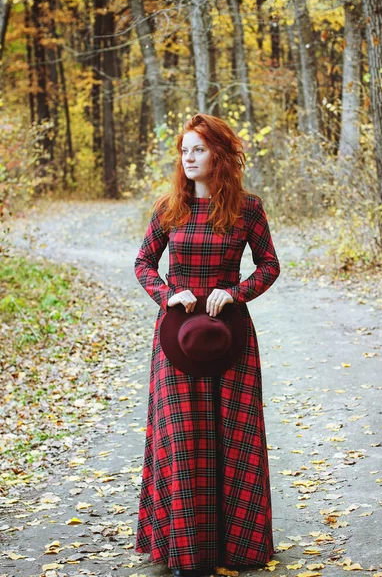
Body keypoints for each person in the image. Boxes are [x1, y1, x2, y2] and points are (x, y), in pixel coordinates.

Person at [134, 113, 281, 577]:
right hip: (176, 339)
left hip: (230, 335)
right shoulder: (168, 208)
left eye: (198, 149)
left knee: (233, 439)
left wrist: (235, 291)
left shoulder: (248, 208)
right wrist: (165, 293)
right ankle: (185, 552)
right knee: (181, 439)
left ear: (219, 153)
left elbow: (269, 266)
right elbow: (142, 263)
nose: (189, 158)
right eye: (184, 150)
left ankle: (238, 549)